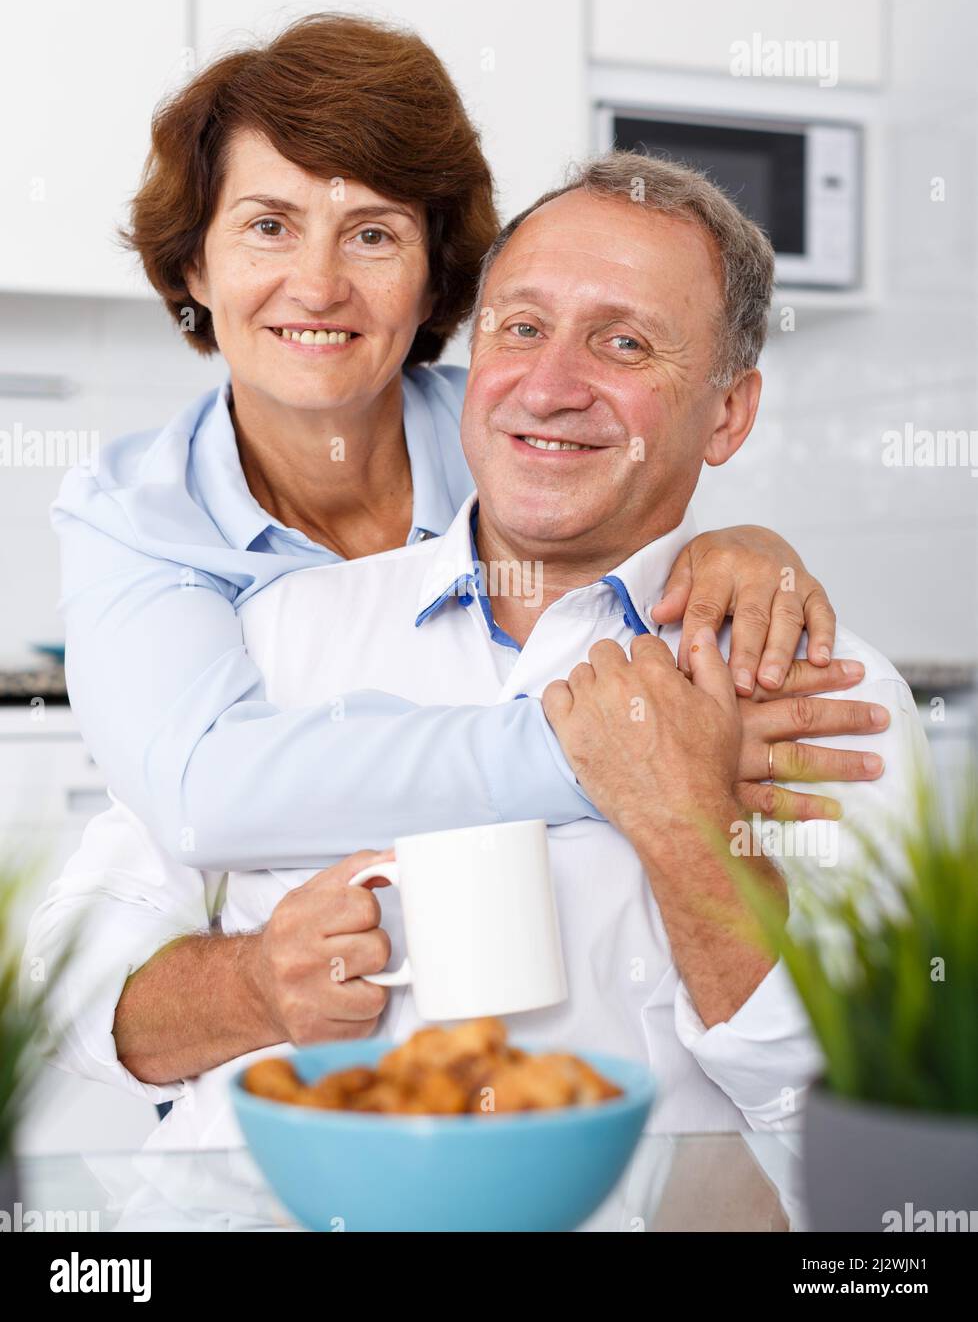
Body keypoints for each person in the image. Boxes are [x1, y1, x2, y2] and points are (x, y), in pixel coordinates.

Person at [27, 152, 925, 1145]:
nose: (549, 387)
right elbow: (64, 981)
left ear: (729, 413)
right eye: (523, 328)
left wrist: (688, 832)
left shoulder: (822, 700)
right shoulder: (281, 630)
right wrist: (252, 987)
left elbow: (853, 1120)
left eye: (623, 343)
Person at [53, 12, 864, 879]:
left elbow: (647, 499)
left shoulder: (514, 426)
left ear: (439, 277)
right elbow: (201, 799)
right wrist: (626, 758)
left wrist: (738, 545)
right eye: (268, 226)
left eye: (372, 235)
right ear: (195, 267)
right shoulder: (135, 512)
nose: (319, 287)